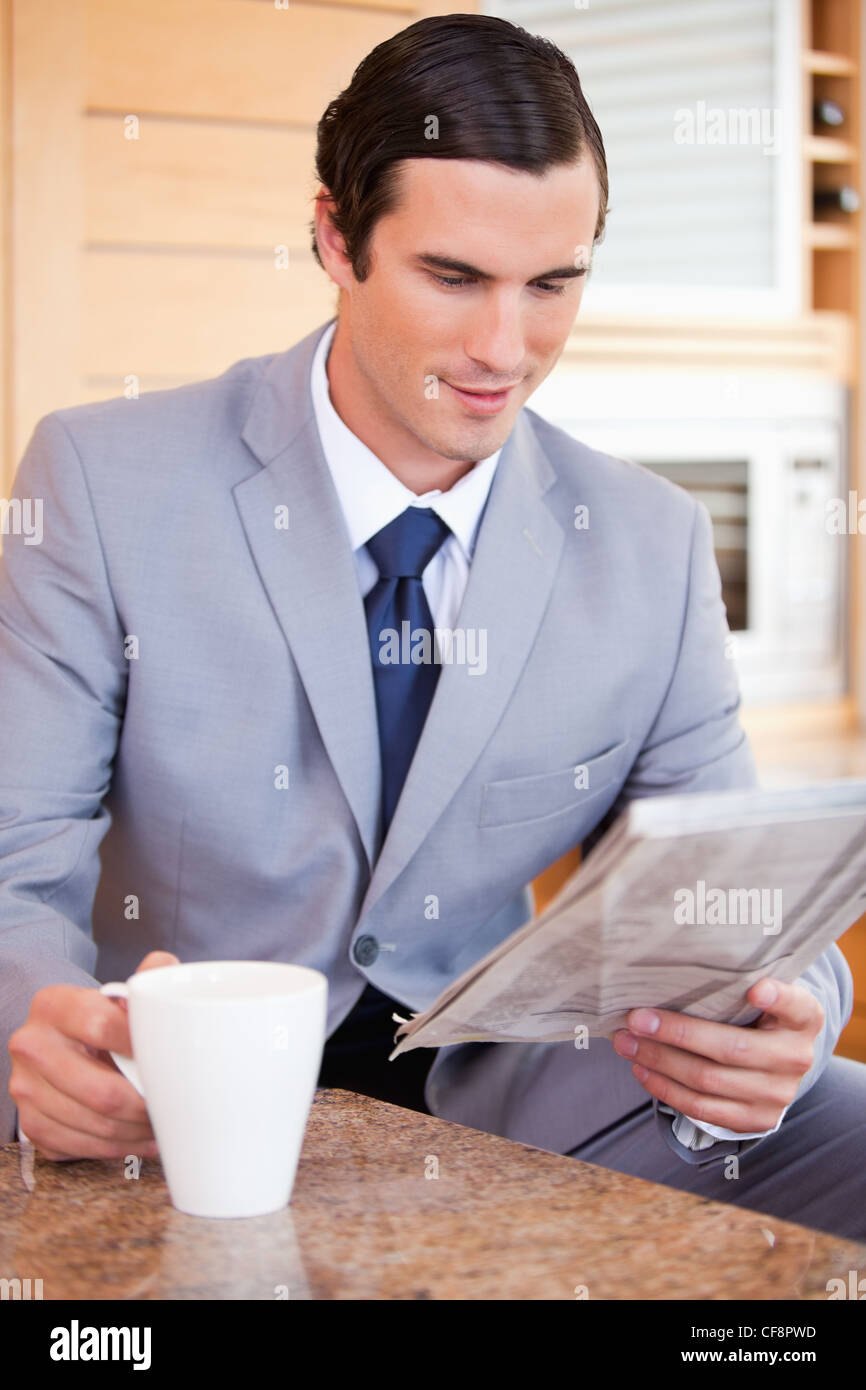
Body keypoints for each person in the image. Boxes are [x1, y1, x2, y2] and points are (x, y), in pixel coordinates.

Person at [1, 14, 863, 1241]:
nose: (502, 350)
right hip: (177, 1111)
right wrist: (35, 1030)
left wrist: (792, 1012)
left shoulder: (650, 542)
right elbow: (12, 863)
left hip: (520, 1103)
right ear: (332, 237)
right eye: (452, 277)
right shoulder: (100, 480)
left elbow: (728, 890)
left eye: (552, 284)